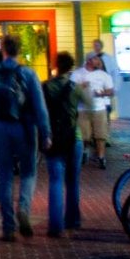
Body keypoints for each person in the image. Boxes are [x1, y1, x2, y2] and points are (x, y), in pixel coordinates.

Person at [0, 36, 50, 242]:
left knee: (4, 176)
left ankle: (8, 227)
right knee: (28, 172)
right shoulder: (27, 73)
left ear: (2, 49)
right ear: (19, 50)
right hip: (24, 127)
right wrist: (45, 133)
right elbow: (39, 106)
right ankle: (24, 209)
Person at [41, 52, 85, 237]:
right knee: (73, 180)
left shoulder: (46, 87)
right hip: (74, 137)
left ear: (56, 65)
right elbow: (87, 106)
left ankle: (55, 225)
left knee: (56, 181)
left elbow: (40, 112)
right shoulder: (76, 88)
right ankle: (73, 219)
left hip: (53, 138)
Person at [74, 53, 116, 169]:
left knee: (100, 135)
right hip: (83, 109)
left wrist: (103, 93)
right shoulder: (78, 74)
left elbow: (111, 91)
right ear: (89, 60)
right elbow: (71, 90)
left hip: (99, 108)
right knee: (84, 135)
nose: (98, 61)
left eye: (98, 59)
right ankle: (85, 152)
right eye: (96, 59)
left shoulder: (104, 75)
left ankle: (101, 157)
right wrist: (81, 87)